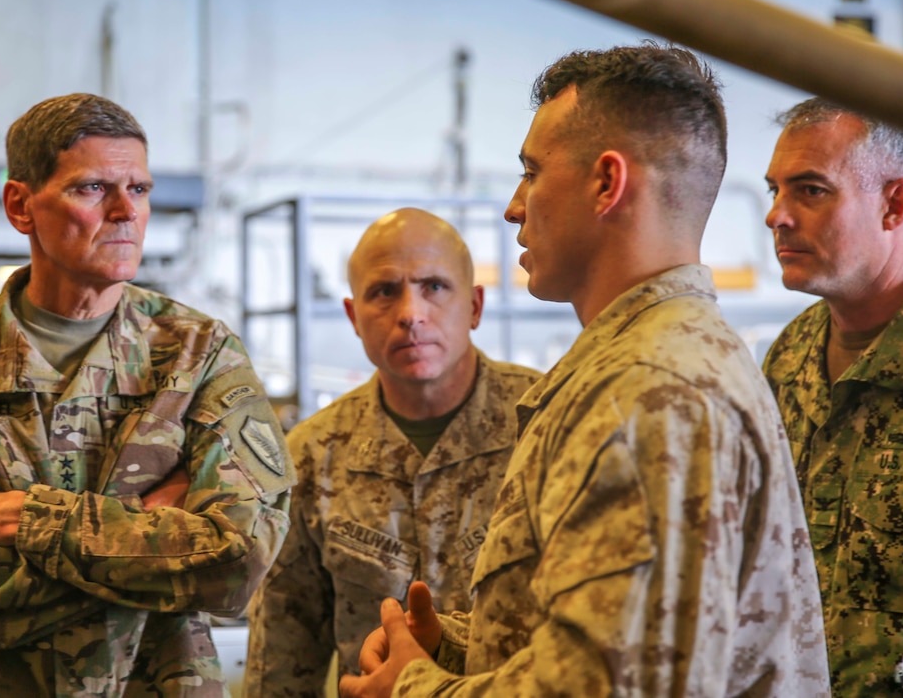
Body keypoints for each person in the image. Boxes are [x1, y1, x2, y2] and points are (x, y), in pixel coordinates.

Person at [338, 43, 830, 698]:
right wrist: (451, 652)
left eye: (532, 172)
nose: (515, 205)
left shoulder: (650, 392)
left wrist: (415, 686)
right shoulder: (649, 364)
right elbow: (628, 643)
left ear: (607, 182)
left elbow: (610, 687)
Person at [0, 93, 296, 697]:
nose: (125, 212)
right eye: (92, 189)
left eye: (139, 189)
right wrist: (144, 540)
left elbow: (237, 564)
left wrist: (31, 521)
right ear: (20, 205)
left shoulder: (199, 353)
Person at [243, 208, 540, 696]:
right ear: (353, 316)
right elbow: (281, 658)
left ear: (475, 307)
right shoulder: (312, 457)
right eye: (384, 291)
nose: (410, 313)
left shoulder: (545, 424)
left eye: (435, 287)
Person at [762, 98, 903, 697]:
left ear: (895, 205)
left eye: (810, 190)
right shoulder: (790, 354)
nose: (776, 215)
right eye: (775, 190)